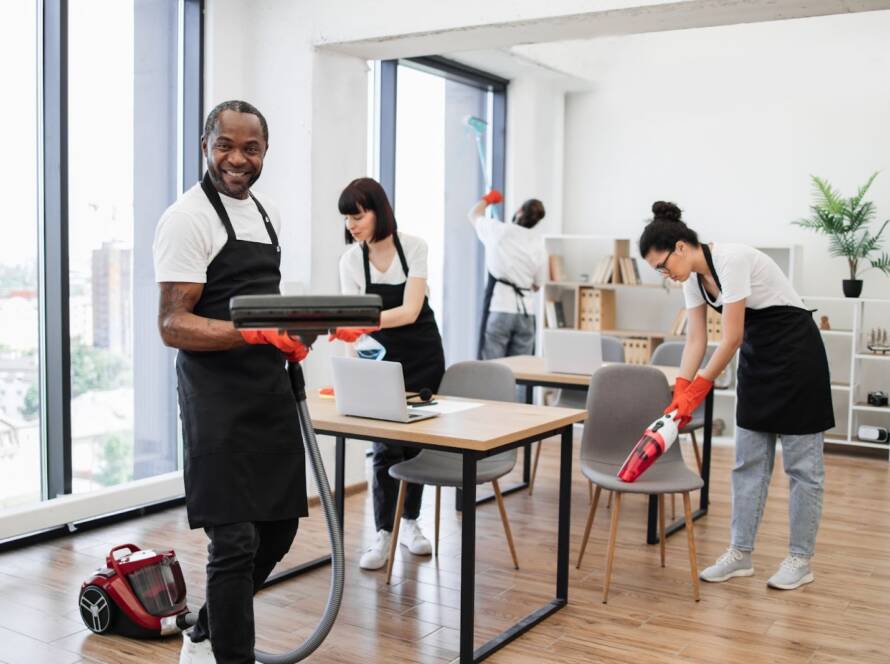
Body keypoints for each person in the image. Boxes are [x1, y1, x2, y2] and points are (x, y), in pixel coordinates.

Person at [154, 100, 310, 664]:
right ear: (205, 144)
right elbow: (173, 324)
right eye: (226, 145)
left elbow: (263, 310)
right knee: (235, 541)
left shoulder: (262, 216)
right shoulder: (187, 217)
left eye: (251, 148)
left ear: (265, 152)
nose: (237, 159)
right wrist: (256, 334)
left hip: (267, 393)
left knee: (279, 532)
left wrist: (298, 333)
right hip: (216, 401)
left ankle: (203, 632)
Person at [639, 201, 833, 591]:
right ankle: (740, 554)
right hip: (759, 363)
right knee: (747, 463)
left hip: (797, 358)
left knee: (802, 470)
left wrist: (699, 389)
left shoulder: (732, 260)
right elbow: (696, 338)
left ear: (680, 247)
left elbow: (731, 337)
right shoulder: (692, 280)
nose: (665, 274)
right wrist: (681, 387)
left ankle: (800, 559)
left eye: (663, 266)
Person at [332, 177, 445, 570]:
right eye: (347, 217)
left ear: (379, 210)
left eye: (357, 215)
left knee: (414, 444)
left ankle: (411, 524)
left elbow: (411, 310)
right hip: (379, 361)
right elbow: (351, 327)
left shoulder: (414, 247)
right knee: (383, 448)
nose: (351, 224)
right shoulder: (350, 261)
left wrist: (363, 321)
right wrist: (352, 372)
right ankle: (384, 533)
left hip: (422, 354)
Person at [467, 190, 547, 359]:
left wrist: (488, 200)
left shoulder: (498, 230)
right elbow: (538, 284)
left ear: (519, 211)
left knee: (493, 371)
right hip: (526, 314)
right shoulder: (539, 243)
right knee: (521, 372)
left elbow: (473, 214)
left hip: (500, 308)